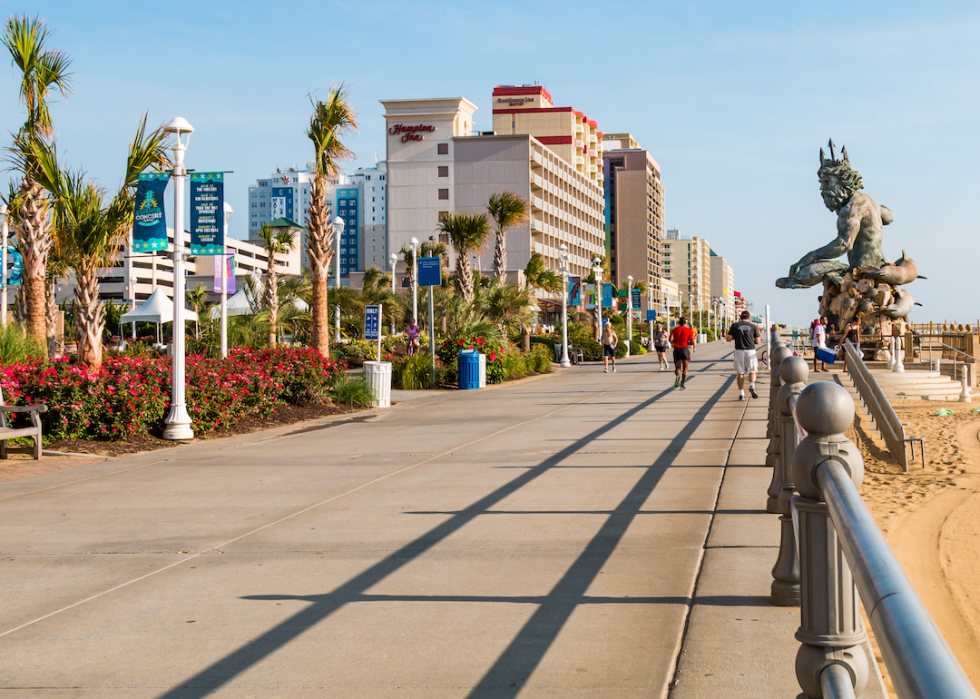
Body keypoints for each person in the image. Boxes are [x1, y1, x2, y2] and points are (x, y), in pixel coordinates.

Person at [726, 310, 761, 400]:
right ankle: (752, 385)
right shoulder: (753, 326)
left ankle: (741, 394)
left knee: (740, 373)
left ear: (740, 317)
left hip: (739, 351)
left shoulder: (735, 325)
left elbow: (728, 338)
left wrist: (736, 337)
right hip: (751, 351)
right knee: (752, 371)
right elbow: (758, 341)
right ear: (749, 318)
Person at [670, 317, 696, 390]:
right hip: (685, 349)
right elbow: (692, 341)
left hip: (677, 349)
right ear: (685, 323)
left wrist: (675, 341)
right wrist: (691, 344)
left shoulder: (675, 330)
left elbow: (671, 339)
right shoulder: (688, 330)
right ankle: (682, 385)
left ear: (679, 322)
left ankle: (678, 375)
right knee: (685, 369)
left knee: (678, 368)